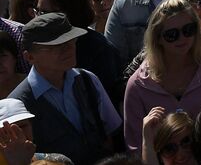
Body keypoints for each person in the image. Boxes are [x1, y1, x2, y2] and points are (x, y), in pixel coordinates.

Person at [8, 12, 122, 165]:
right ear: (30, 57)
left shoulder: (88, 80)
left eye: (70, 41)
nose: (67, 49)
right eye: (55, 46)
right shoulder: (18, 104)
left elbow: (111, 134)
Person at [122, 0, 201, 153]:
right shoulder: (137, 85)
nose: (182, 38)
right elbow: (135, 147)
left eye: (188, 30)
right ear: (157, 38)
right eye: (172, 35)